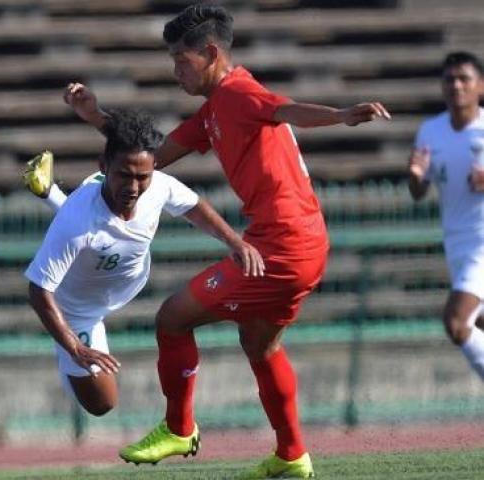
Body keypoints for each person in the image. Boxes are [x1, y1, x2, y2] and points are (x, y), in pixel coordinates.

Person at [64, 4, 390, 478]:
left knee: (173, 318)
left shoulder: (238, 93)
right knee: (261, 347)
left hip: (283, 246)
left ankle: (179, 428)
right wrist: (97, 118)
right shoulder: (214, 110)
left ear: (211, 53)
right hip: (301, 242)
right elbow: (150, 158)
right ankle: (292, 453)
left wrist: (342, 115)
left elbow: (284, 110)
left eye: (181, 60)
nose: (175, 71)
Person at [24, 109, 264, 418]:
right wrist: (73, 346)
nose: (134, 187)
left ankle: (48, 191)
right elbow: (38, 290)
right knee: (102, 404)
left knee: (97, 235)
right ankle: (49, 193)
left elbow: (193, 206)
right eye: (124, 175)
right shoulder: (75, 224)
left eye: (142, 177)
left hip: (124, 280)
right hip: (77, 310)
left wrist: (235, 242)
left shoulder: (159, 186)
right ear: (104, 167)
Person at [408, 51, 484, 382]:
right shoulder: (430, 131)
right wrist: (415, 175)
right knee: (476, 327)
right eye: (450, 79)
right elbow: (418, 191)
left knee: (457, 322)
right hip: (456, 243)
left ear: (480, 86)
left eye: (464, 78)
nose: (456, 85)